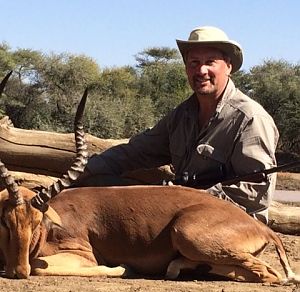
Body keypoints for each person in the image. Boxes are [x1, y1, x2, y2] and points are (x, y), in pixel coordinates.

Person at [75, 26, 279, 224]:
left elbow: (256, 192)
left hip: (231, 222)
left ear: (228, 66)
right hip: (182, 210)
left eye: (210, 62)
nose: (201, 70)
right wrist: (86, 170)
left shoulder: (251, 118)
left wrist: (188, 198)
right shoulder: (181, 115)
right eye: (194, 63)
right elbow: (137, 151)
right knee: (97, 186)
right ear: (186, 68)